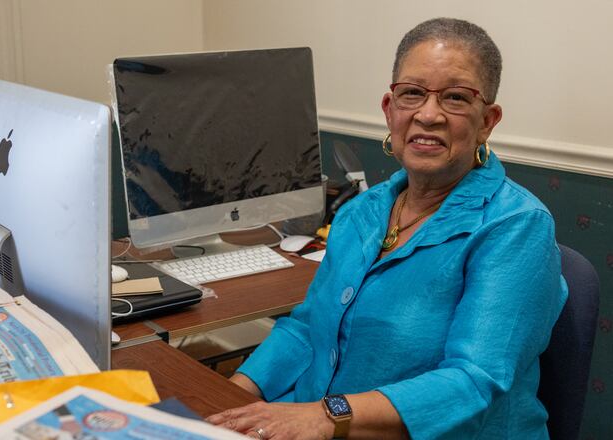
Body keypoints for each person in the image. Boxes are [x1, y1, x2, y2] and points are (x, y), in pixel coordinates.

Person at [207, 18, 567, 439]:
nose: (428, 115)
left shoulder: (517, 227)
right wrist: (225, 400)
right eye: (411, 93)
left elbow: (473, 380)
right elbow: (306, 329)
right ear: (389, 109)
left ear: (488, 120)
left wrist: (325, 416)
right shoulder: (362, 211)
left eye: (455, 98)